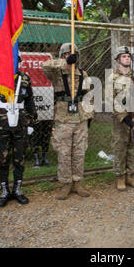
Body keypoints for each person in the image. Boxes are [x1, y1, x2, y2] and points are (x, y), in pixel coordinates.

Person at [0, 58, 37, 208]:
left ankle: (17, 189)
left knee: (19, 157)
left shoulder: (24, 78)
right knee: (2, 157)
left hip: (20, 121)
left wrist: (31, 122)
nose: (12, 63)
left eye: (15, 60)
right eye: (9, 59)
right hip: (1, 123)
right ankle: (4, 190)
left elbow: (29, 101)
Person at [41, 43, 93, 200]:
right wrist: (65, 62)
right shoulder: (56, 72)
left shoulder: (83, 74)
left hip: (80, 117)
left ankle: (77, 182)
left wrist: (89, 115)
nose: (70, 56)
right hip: (63, 118)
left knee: (79, 151)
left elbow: (89, 96)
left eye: (73, 54)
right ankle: (66, 184)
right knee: (64, 152)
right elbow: (45, 65)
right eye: (66, 54)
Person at [109, 46, 134, 191]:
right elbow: (110, 100)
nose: (126, 58)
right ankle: (120, 177)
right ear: (118, 60)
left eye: (128, 56)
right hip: (120, 119)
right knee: (120, 147)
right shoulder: (112, 77)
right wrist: (123, 117)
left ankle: (131, 175)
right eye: (123, 56)